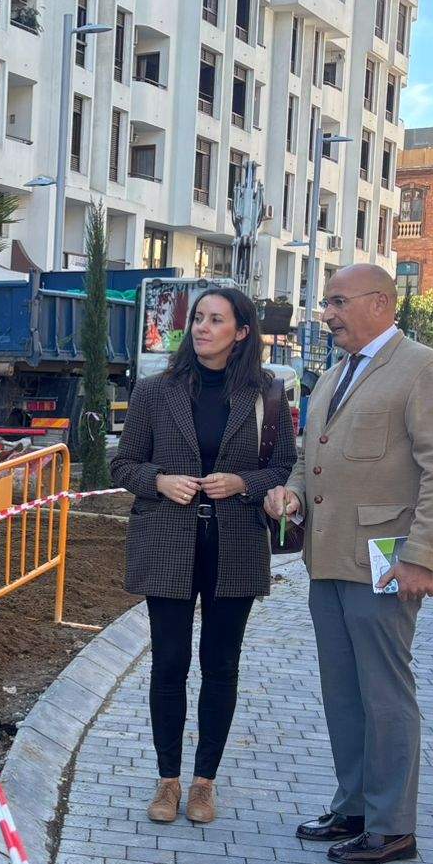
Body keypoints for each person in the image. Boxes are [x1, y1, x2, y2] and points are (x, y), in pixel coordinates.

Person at [266, 263, 433, 864]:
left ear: (380, 303)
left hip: (386, 564)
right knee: (343, 692)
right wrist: (292, 493)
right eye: (328, 303)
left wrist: (421, 557)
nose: (327, 314)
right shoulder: (332, 377)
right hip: (327, 559)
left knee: (384, 694)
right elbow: (311, 458)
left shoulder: (424, 370)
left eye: (337, 302)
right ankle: (352, 805)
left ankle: (391, 826)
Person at [113, 286, 296, 827]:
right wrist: (159, 480)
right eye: (198, 318)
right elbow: (123, 466)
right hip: (167, 543)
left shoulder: (268, 395)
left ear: (242, 332)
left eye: (216, 320)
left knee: (221, 668)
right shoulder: (154, 392)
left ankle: (204, 782)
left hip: (235, 546)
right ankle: (167, 779)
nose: (202, 328)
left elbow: (285, 467)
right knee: (169, 664)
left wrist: (242, 481)